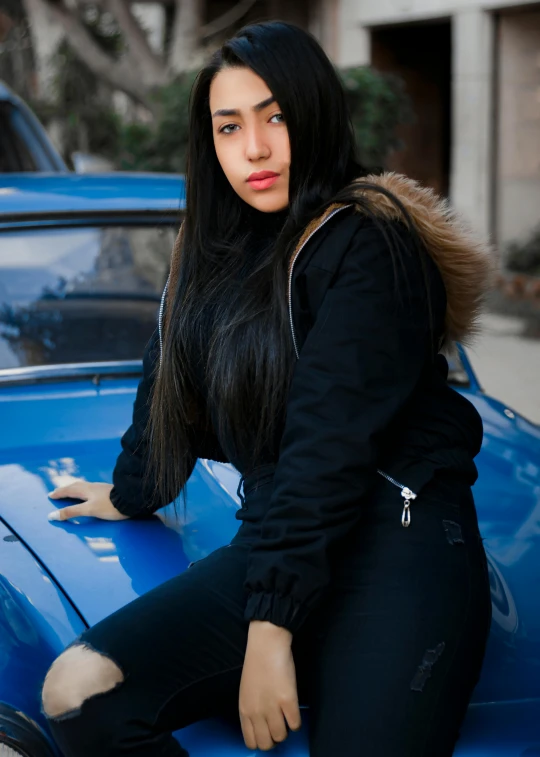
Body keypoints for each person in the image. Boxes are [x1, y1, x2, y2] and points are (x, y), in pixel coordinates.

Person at [41, 20, 493, 757]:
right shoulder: (210, 250)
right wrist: (133, 490)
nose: (254, 148)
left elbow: (329, 439)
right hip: (279, 537)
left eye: (275, 116)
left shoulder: (368, 242)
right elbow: (170, 381)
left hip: (396, 552)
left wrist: (271, 627)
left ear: (313, 113)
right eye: (229, 126)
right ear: (209, 141)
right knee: (76, 693)